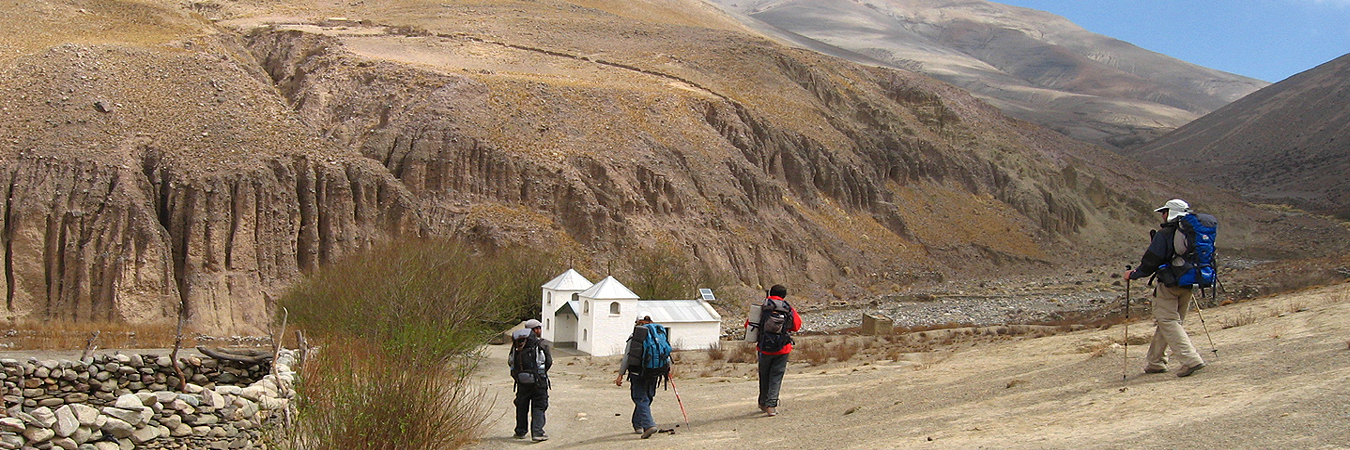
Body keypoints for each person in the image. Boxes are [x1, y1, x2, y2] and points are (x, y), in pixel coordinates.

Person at [1124, 199, 1206, 378]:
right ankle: (1155, 362)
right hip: (1190, 282)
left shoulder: (1166, 234)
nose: (1162, 215)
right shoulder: (1193, 231)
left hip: (1170, 284)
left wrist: (1134, 274)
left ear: (1170, 213)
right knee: (1169, 322)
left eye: (1164, 211)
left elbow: (1151, 261)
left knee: (1168, 321)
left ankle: (1191, 360)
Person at [614, 316, 671, 439]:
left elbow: (627, 357)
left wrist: (620, 375)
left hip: (637, 372)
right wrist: (667, 369)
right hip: (654, 371)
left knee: (640, 398)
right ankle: (637, 424)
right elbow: (666, 353)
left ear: (638, 322)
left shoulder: (636, 336)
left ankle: (648, 425)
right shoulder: (658, 334)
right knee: (647, 397)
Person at [752, 284, 801, 416]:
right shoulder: (788, 308)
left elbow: (750, 324)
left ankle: (762, 402)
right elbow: (796, 326)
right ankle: (771, 406)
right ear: (784, 295)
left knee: (764, 375)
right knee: (776, 376)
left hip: (764, 348)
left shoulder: (763, 307)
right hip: (782, 348)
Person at [509, 319, 552, 441]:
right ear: (535, 330)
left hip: (521, 381)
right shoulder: (542, 344)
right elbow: (549, 361)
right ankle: (537, 432)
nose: (540, 330)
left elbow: (511, 361)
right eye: (538, 328)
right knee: (539, 405)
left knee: (521, 406)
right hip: (539, 381)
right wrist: (540, 373)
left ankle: (520, 431)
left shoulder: (517, 344)